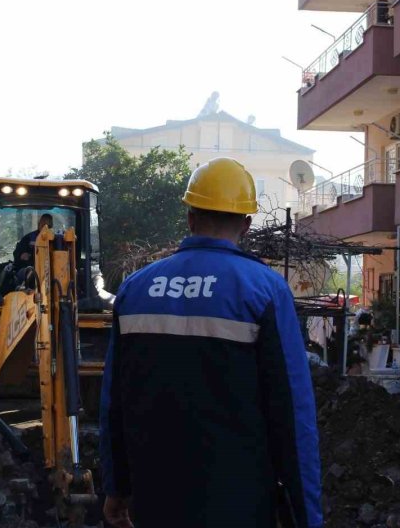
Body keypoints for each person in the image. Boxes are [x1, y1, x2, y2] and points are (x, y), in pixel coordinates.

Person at [99, 157, 322, 528]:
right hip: (239, 505)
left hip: (154, 501)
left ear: (190, 218)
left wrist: (116, 488)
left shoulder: (135, 289)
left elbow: (114, 404)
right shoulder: (264, 290)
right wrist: (306, 516)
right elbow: (293, 414)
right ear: (246, 224)